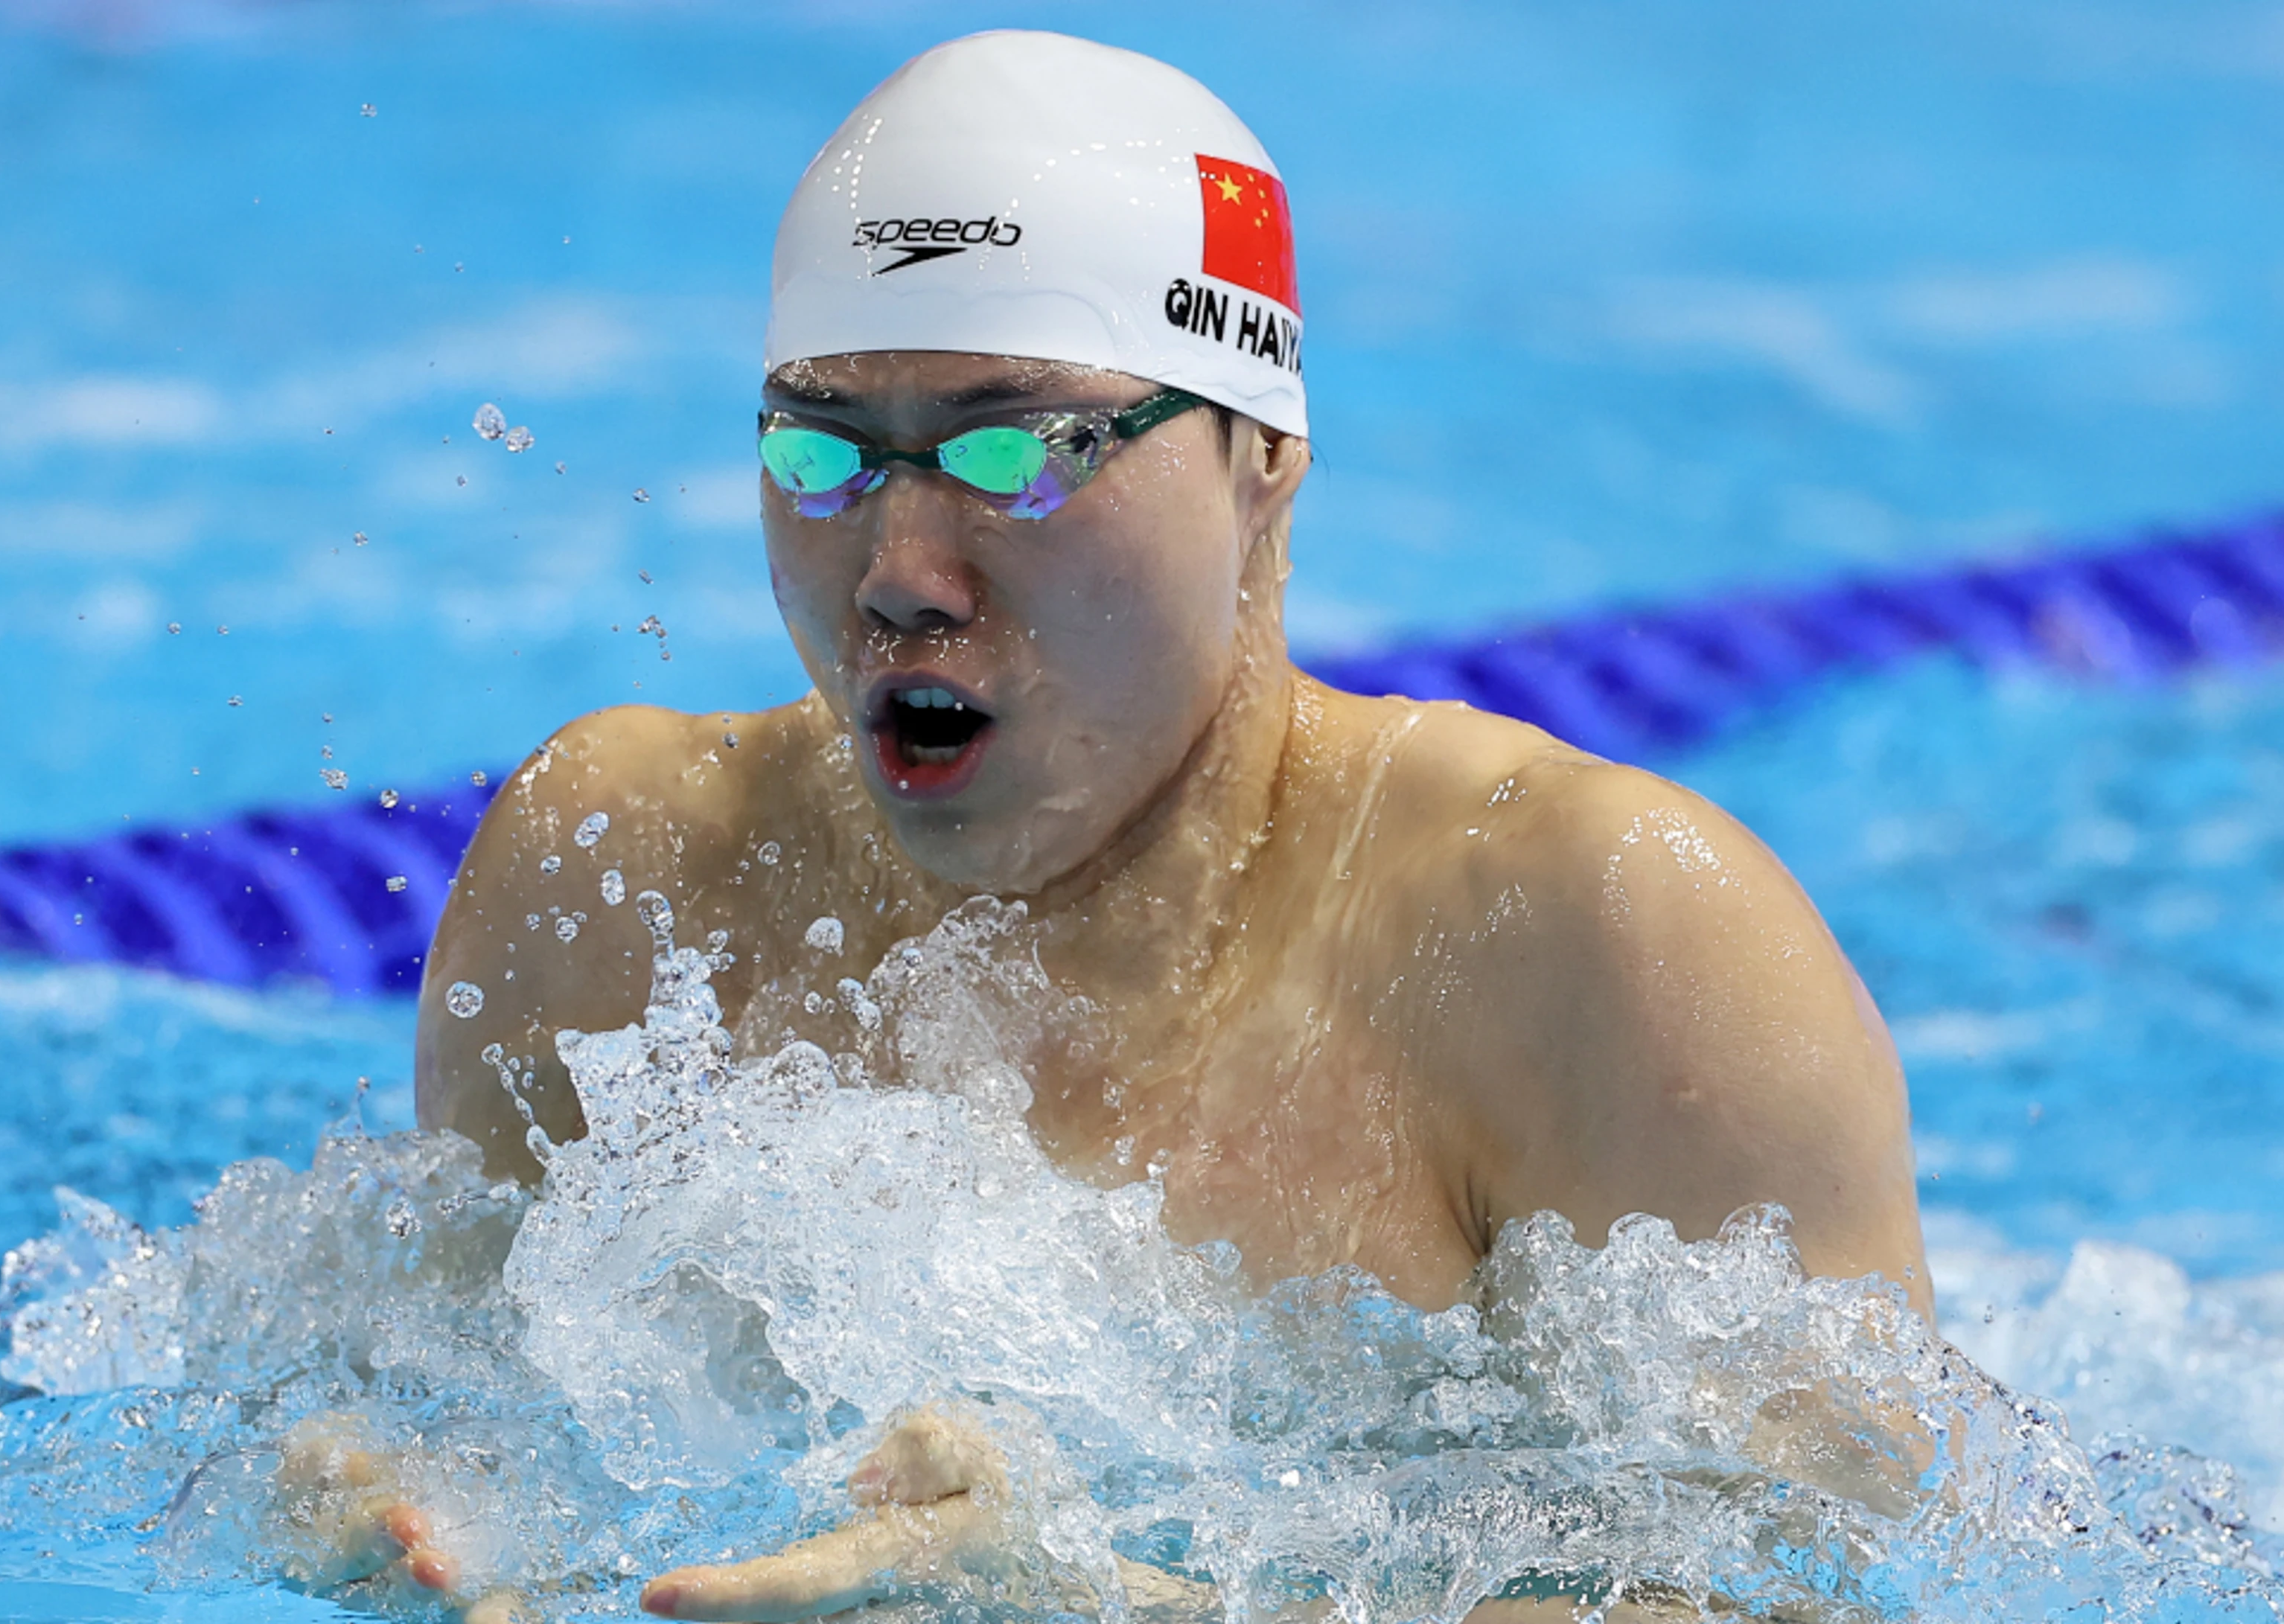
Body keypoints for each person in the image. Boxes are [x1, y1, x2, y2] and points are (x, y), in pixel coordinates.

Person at [347, 29, 1926, 1621]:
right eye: (821, 455)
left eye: (1016, 453)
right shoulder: (626, 884)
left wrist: (1116, 1603)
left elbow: (1817, 1591)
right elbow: (450, 1400)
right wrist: (367, 1506)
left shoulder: (1608, 940)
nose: (898, 573)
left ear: (1263, 459)